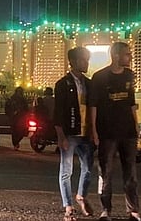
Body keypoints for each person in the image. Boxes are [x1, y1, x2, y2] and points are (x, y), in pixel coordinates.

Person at [89, 41, 141, 221]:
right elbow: (93, 106)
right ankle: (106, 209)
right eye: (127, 54)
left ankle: (133, 210)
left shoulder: (129, 75)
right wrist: (94, 131)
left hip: (127, 131)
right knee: (106, 172)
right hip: (107, 132)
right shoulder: (100, 77)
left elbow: (131, 102)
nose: (130, 57)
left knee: (131, 172)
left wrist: (136, 124)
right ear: (116, 55)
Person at [54, 47, 95, 221]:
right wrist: (61, 136)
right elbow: (58, 112)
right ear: (74, 61)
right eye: (84, 59)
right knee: (66, 170)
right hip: (70, 133)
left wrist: (94, 130)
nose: (87, 63)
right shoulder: (63, 84)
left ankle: (81, 196)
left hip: (86, 133)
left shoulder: (89, 83)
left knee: (88, 169)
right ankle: (68, 206)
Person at [6, 86, 29, 150]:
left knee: (21, 131)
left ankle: (16, 142)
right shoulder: (12, 98)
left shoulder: (23, 99)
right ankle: (15, 143)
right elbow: (8, 107)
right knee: (15, 131)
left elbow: (26, 108)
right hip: (14, 117)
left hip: (21, 117)